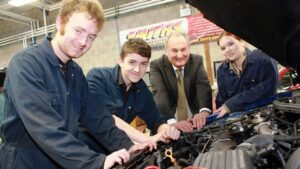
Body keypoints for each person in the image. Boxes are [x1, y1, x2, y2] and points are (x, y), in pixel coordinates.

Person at [0, 0, 151, 169]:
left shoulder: (75, 72)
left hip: (61, 160)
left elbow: (97, 117)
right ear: (60, 23)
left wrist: (129, 146)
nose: (83, 42)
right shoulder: (26, 64)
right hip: (26, 161)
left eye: (91, 36)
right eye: (79, 31)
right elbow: (45, 128)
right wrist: (96, 162)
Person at [83, 38, 180, 151]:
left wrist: (166, 131)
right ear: (120, 61)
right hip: (86, 152)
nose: (137, 69)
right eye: (132, 62)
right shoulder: (98, 77)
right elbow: (108, 118)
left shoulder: (141, 89)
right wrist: (147, 139)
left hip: (115, 150)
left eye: (143, 64)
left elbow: (156, 120)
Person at [150, 31, 212, 132]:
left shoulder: (197, 60)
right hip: (170, 123)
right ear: (167, 51)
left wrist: (203, 111)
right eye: (174, 50)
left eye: (183, 49)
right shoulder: (157, 66)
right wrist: (172, 122)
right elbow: (160, 95)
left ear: (189, 48)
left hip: (194, 123)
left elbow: (203, 87)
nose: (180, 55)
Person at [215, 31, 278, 117]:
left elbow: (268, 88)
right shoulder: (222, 71)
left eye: (231, 44)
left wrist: (232, 103)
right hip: (239, 122)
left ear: (242, 42)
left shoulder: (263, 58)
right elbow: (221, 102)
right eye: (223, 48)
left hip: (267, 116)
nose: (227, 50)